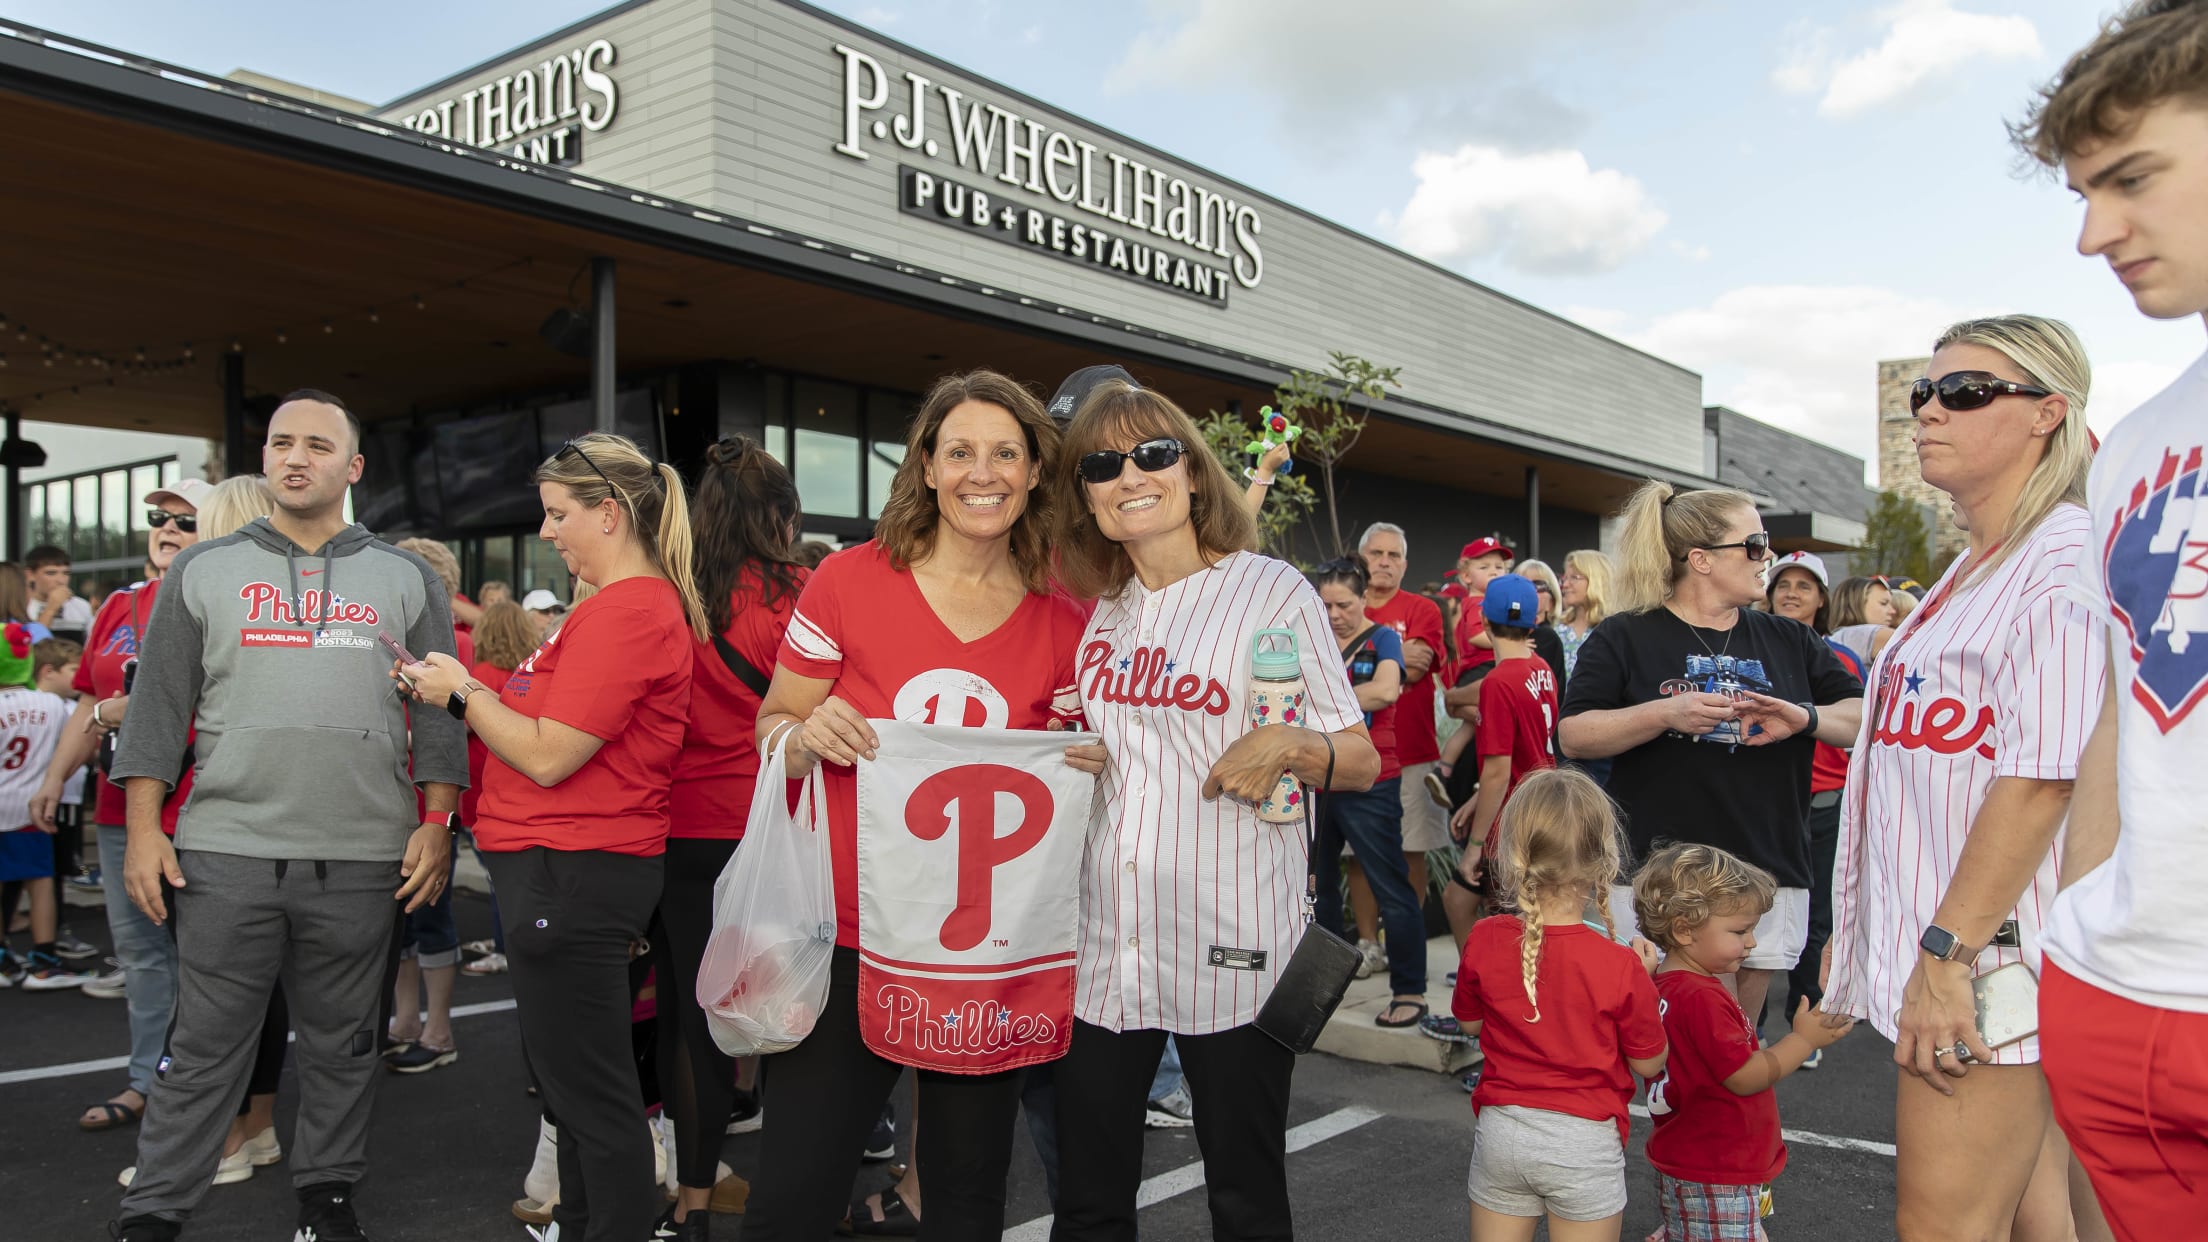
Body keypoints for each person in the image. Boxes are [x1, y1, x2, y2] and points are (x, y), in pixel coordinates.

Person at [745, 370, 1098, 1241]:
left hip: (984, 956)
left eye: (1007, 453)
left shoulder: (1068, 621)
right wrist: (805, 733)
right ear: (929, 469)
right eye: (963, 452)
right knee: (793, 1191)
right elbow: (772, 725)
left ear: (1034, 473)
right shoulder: (847, 582)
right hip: (848, 936)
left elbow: (1074, 776)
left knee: (968, 1194)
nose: (986, 473)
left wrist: (1095, 760)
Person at [108, 390, 465, 1242]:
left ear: (354, 466)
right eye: (280, 443)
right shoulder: (204, 569)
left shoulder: (404, 575)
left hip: (364, 855)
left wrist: (438, 821)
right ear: (265, 460)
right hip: (224, 852)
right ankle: (153, 1212)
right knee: (201, 1049)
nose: (294, 457)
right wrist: (145, 828)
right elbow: (158, 711)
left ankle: (327, 1199)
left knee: (345, 1046)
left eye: (316, 444)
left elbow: (440, 712)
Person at [1050, 378, 1379, 1242]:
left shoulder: (1272, 591)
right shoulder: (1103, 616)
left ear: (1193, 473)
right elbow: (1118, 755)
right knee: (1087, 1200)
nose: (1131, 476)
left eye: (1153, 454)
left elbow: (1362, 759)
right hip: (1107, 939)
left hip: (1233, 933)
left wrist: (1288, 747)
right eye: (1103, 463)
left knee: (1243, 1195)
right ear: (1085, 495)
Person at [1823, 316, 2104, 1242]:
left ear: (2046, 415)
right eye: (1923, 393)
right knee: (2037, 1210)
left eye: (1967, 391)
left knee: (1946, 1228)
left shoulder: (2059, 568)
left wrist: (1943, 959)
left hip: (1990, 960)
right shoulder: (1974, 566)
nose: (1929, 412)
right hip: (1974, 949)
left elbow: (2040, 784)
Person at [398, 430, 703, 1242]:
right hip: (564, 868)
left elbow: (547, 753)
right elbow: (547, 725)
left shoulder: (631, 611)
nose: (546, 532)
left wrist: (462, 694)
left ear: (608, 515)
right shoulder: (611, 610)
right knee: (575, 1094)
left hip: (573, 870)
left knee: (592, 1098)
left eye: (556, 514)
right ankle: (582, 1223)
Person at [2019, 4, 2208, 1228]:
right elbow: (2121, 718)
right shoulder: (2137, 441)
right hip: (2113, 1001)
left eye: (2132, 178)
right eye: (2084, 192)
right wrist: (2065, 956)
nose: (2095, 234)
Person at [1559, 481, 1863, 1030]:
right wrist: (1661, 714)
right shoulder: (1625, 636)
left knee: (1735, 1046)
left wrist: (1804, 717)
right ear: (1700, 559)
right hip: (1660, 876)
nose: (1765, 556)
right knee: (1658, 1050)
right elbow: (1575, 734)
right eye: (1753, 544)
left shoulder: (1790, 639)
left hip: (1766, 868)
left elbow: (1863, 716)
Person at [652, 435, 807, 1240]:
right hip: (771, 832)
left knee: (690, 1018)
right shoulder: (797, 595)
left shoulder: (670, 597)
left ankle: (693, 1203)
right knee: (785, 1012)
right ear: (780, 516)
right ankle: (783, 1191)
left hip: (678, 834)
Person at [31, 476, 210, 1136]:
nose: (168, 528)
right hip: (115, 810)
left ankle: (205, 1091)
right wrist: (53, 781)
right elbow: (87, 700)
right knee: (140, 955)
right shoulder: (117, 605)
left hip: (200, 809)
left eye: (187, 521)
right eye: (160, 517)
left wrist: (117, 710)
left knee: (204, 961)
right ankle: (149, 1082)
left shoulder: (219, 598)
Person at [1449, 768, 1665, 1242]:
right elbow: (1650, 1061)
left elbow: (1467, 1024)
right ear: (1603, 861)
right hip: (1583, 1141)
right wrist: (1644, 985)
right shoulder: (1621, 964)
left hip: (1503, 1132)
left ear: (1512, 854)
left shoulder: (1484, 937)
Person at [1634, 842, 1855, 1240]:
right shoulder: (1700, 997)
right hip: (1716, 1166)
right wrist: (1803, 1040)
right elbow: (1743, 1075)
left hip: (1697, 1159)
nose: (1751, 942)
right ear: (1683, 929)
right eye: (1740, 931)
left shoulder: (1670, 985)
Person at [1308, 555, 1427, 1027]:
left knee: (1390, 886)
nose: (1334, 614)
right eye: (1326, 604)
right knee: (1316, 891)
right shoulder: (1312, 641)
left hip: (1373, 778)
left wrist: (1316, 699)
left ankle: (1410, 991)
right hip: (1319, 775)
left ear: (1363, 600)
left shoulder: (1383, 638)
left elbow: (1386, 690)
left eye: (1343, 604)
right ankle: (1322, 992)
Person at [1762, 551, 1860, 1053]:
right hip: (1764, 806)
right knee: (1751, 914)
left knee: (1815, 919)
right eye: (1784, 583)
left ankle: (1805, 1025)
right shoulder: (1750, 649)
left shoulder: (1840, 660)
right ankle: (1745, 1030)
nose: (1792, 593)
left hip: (1822, 805)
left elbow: (1861, 726)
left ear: (1822, 599)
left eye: (1805, 585)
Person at [385, 536, 475, 1077]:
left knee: (431, 914)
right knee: (397, 918)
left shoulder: (455, 642)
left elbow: (461, 720)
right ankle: (403, 1021)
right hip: (392, 801)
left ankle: (437, 1028)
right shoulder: (385, 639)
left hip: (432, 803)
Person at [1356, 523, 1452, 955]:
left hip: (1412, 752)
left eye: (1394, 556)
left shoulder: (1423, 609)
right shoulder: (1341, 607)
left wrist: (1359, 661)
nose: (1384, 562)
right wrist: (1392, 652)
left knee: (1412, 851)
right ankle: (1364, 944)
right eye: (1376, 553)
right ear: (1362, 558)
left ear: (1405, 564)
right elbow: (1399, 664)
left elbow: (1412, 671)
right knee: (1355, 856)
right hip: (1355, 751)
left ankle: (1402, 944)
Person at [1447, 577, 1560, 918]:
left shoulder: (1497, 682)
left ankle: (1486, 973)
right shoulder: (1542, 668)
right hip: (1540, 805)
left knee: (1501, 919)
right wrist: (1475, 799)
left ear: (1483, 621)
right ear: (1533, 621)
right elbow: (1526, 751)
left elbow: (1497, 771)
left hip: (1513, 817)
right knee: (1459, 900)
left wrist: (1475, 847)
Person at [455, 601, 535, 980]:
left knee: (496, 877)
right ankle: (505, 942)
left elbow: (464, 725)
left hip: (482, 785)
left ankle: (505, 947)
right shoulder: (526, 671)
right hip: (516, 781)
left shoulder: (483, 673)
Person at [0, 623, 79, 988]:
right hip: (33, 806)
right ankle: (44, 959)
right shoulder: (51, 704)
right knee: (40, 882)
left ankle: (3, 959)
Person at [1556, 551, 1612, 680]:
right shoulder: (1557, 629)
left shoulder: (1613, 631)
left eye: (1574, 577)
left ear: (1596, 581)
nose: (1564, 585)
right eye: (1565, 578)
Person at [25, 543, 93, 641]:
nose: (61, 580)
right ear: (30, 575)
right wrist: (51, 609)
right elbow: (29, 645)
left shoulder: (81, 606)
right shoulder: (22, 607)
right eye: (51, 573)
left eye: (66, 573)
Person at [1826, 576, 1896, 663]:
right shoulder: (1854, 635)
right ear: (1856, 604)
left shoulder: (1837, 636)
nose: (1893, 611)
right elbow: (1909, 641)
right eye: (1883, 603)